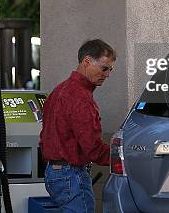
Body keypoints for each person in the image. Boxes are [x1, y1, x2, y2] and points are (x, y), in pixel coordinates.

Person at [39, 39, 116, 213]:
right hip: (70, 174)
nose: (107, 74)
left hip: (54, 172)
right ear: (87, 61)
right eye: (104, 68)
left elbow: (45, 137)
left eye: (111, 69)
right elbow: (92, 148)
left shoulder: (59, 90)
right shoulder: (81, 98)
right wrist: (124, 158)